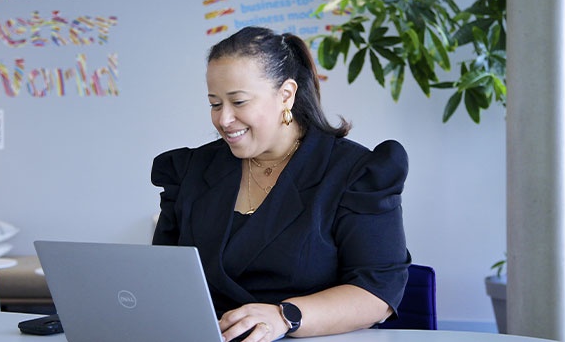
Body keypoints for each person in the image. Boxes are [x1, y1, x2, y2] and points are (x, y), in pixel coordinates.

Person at [152, 26, 410, 341]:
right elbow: (162, 278)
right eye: (215, 104)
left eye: (239, 102)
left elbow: (377, 293)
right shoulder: (190, 170)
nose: (223, 119)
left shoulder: (355, 172)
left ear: (286, 94)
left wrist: (285, 316)